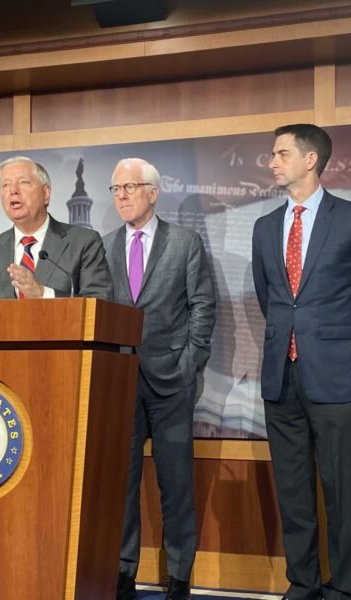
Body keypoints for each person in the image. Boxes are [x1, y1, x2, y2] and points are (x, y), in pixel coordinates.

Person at [251, 124, 351, 600]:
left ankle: (344, 590)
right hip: (281, 376)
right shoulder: (265, 226)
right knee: (293, 491)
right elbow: (270, 297)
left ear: (310, 160)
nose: (271, 161)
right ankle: (303, 583)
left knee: (341, 491)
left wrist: (345, 348)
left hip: (337, 377)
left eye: (281, 153)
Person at [103, 158, 216, 600]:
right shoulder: (105, 245)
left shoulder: (185, 242)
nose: (123, 196)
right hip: (120, 383)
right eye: (115, 189)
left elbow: (203, 307)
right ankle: (123, 570)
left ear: (153, 191)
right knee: (121, 484)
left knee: (176, 484)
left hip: (172, 382)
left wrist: (190, 363)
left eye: (130, 187)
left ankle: (180, 574)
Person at [0, 156, 113, 300]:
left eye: (23, 182)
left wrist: (42, 293)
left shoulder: (83, 243)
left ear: (46, 193)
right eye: (5, 185)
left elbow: (98, 303)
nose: (13, 190)